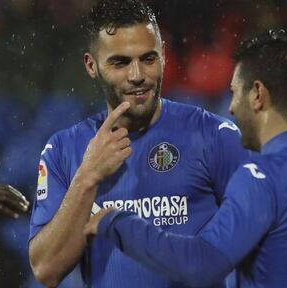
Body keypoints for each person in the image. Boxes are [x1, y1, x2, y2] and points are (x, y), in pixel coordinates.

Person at [85, 29, 287, 287]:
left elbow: (201, 265)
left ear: (258, 94)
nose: (231, 108)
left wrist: (116, 222)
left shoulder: (263, 176)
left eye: (234, 92)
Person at [28, 0, 249, 287]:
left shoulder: (214, 136)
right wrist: (87, 178)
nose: (137, 76)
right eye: (120, 62)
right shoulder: (63, 149)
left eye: (148, 59)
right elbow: (47, 269)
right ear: (91, 65)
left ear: (164, 55)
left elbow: (267, 240)